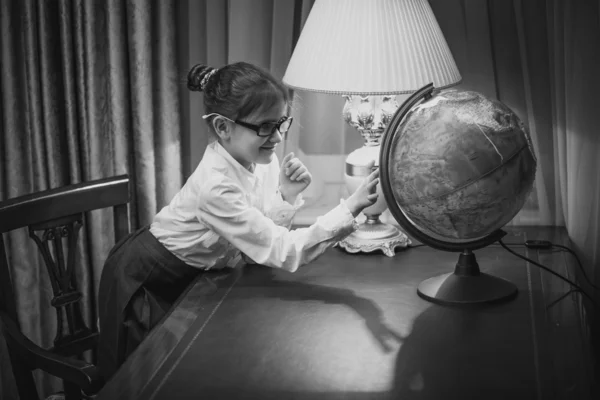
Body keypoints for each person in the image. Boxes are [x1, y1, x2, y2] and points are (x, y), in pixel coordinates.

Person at [97, 61, 380, 379]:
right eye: (264, 126)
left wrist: (285, 196)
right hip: (144, 277)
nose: (275, 136)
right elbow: (282, 250)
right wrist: (350, 208)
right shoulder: (215, 187)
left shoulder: (260, 159)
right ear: (222, 127)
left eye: (281, 123)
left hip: (194, 276)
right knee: (142, 378)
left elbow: (253, 247)